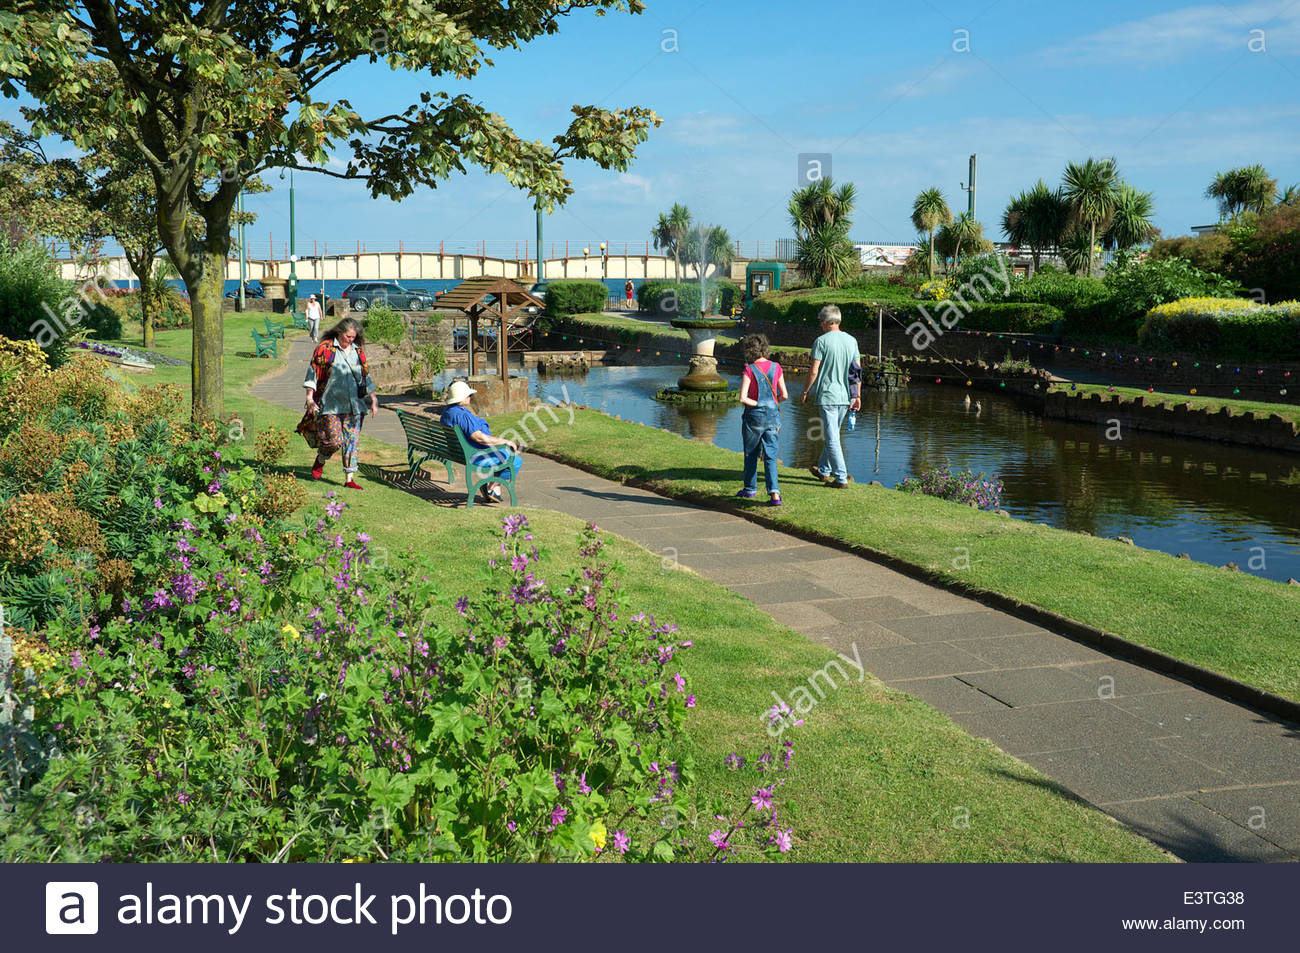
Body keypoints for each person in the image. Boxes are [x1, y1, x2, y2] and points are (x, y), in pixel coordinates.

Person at [300, 317, 378, 489]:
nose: (350, 340)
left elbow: (365, 377)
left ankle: (349, 479)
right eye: (347, 336)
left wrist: (373, 400)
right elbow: (313, 373)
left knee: (352, 441)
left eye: (353, 337)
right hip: (330, 404)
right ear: (339, 332)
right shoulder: (325, 349)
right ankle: (321, 458)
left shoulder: (358, 352)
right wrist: (309, 398)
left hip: (355, 405)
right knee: (335, 441)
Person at [800, 305, 861, 489]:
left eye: (821, 321)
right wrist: (857, 395)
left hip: (827, 396)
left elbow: (813, 371)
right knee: (833, 434)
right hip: (845, 398)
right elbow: (856, 371)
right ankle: (824, 470)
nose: (820, 325)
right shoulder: (852, 341)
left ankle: (841, 478)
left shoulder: (821, 341)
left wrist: (805, 391)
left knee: (832, 437)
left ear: (826, 322)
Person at [440, 380, 522, 504]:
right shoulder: (462, 416)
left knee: (505, 455)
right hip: (473, 455)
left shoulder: (447, 412)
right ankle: (491, 487)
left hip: (458, 452)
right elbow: (479, 438)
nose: (471, 397)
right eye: (469, 395)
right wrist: (505, 441)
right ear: (462, 398)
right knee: (515, 460)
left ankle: (491, 487)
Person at [736, 333, 787, 506]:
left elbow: (743, 398)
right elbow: (784, 395)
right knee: (771, 455)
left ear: (749, 350)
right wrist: (772, 404)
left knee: (751, 454)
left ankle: (750, 490)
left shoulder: (749, 369)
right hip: (773, 416)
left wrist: (757, 403)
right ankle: (775, 494)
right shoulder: (777, 367)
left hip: (754, 417)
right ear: (765, 348)